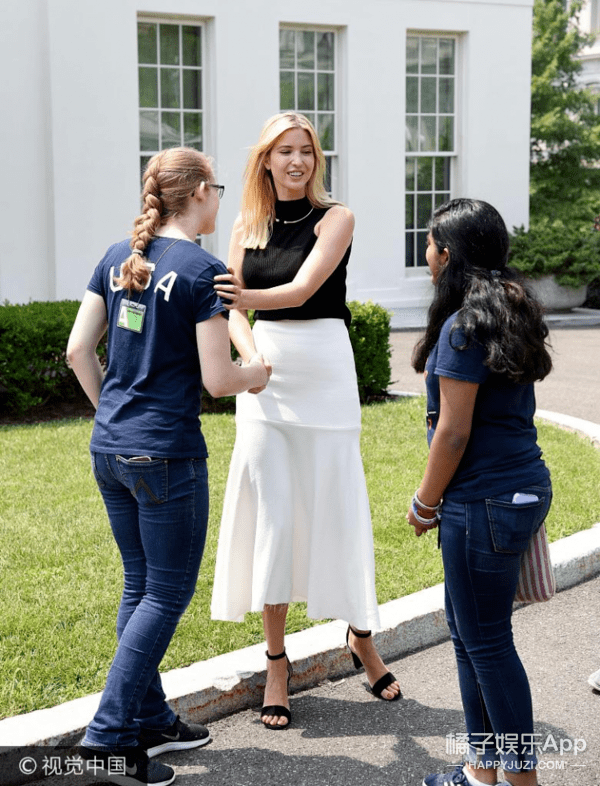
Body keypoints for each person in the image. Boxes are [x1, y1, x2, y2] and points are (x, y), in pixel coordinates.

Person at [67, 147, 270, 786]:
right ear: (199, 193)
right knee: (164, 593)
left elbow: (78, 351)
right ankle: (106, 740)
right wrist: (257, 374)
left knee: (139, 585)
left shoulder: (115, 257)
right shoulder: (205, 270)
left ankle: (149, 718)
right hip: (166, 455)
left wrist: (115, 420)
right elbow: (218, 379)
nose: (222, 201)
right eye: (218, 189)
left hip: (111, 451)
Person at [210, 112, 401, 730]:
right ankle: (275, 663)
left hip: (323, 369)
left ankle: (362, 640)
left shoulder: (336, 217)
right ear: (265, 160)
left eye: (306, 151)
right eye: (285, 151)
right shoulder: (244, 225)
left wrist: (242, 304)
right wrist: (250, 353)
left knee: (338, 506)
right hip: (264, 378)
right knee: (276, 513)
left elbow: (299, 289)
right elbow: (231, 312)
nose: (297, 160)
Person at [408, 199, 553, 786]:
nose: (425, 253)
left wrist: (425, 502)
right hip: (521, 488)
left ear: (448, 253)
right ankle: (480, 770)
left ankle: (520, 781)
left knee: (487, 645)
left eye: (430, 243)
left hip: (483, 502)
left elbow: (454, 430)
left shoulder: (462, 327)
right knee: (471, 636)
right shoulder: (513, 309)